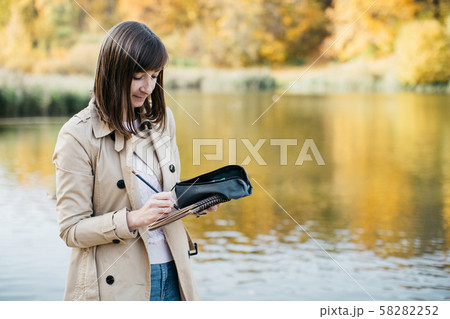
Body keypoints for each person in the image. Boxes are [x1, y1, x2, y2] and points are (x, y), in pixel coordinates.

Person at [52, 21, 219, 301]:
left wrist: (193, 203)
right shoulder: (77, 134)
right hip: (118, 286)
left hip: (176, 274)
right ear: (112, 72)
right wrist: (134, 219)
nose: (148, 88)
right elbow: (72, 230)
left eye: (155, 75)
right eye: (138, 76)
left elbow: (165, 195)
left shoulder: (162, 121)